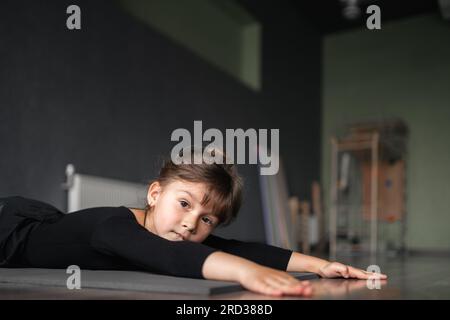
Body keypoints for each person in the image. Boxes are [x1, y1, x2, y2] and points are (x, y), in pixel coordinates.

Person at [0, 147, 386, 297]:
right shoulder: (113, 227)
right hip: (9, 229)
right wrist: (246, 274)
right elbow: (174, 259)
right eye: (183, 204)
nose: (190, 224)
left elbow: (239, 248)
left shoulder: (175, 230)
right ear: (155, 194)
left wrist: (320, 265)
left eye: (207, 219)